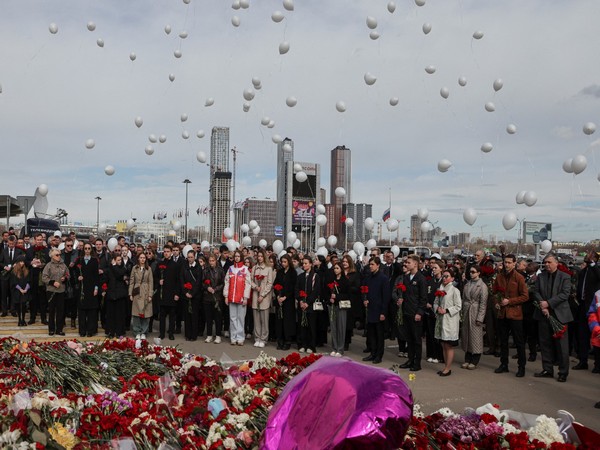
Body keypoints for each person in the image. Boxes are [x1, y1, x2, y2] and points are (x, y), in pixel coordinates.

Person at [533, 254, 573, 382]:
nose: (546, 264)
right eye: (545, 262)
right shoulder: (541, 276)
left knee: (562, 346)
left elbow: (565, 294)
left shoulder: (565, 277)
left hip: (559, 315)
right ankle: (547, 369)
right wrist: (542, 305)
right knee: (545, 343)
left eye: (549, 262)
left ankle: (563, 372)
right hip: (543, 314)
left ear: (556, 263)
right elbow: (536, 291)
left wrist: (548, 303)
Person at [493, 254, 528, 378]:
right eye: (505, 262)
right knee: (503, 341)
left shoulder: (519, 277)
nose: (507, 265)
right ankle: (504, 364)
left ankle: (521, 366)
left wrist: (510, 301)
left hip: (515, 314)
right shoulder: (499, 277)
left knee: (519, 341)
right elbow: (495, 292)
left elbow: (525, 296)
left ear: (514, 263)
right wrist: (497, 302)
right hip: (502, 314)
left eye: (509, 263)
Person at [399, 254, 427, 371]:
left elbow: (423, 298)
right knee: (409, 339)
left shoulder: (421, 279)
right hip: (407, 312)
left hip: (415, 313)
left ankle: (417, 362)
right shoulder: (406, 278)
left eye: (408, 262)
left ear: (415, 264)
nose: (406, 264)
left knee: (416, 340)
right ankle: (410, 359)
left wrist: (419, 312)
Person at [433, 267, 462, 376]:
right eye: (443, 276)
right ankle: (445, 366)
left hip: (450, 320)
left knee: (448, 345)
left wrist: (446, 310)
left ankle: (448, 368)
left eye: (447, 276)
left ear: (452, 278)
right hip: (441, 319)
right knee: (443, 344)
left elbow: (458, 306)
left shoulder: (455, 290)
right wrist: (437, 308)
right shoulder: (440, 289)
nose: (444, 278)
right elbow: (435, 302)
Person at [574, 250, 600, 372]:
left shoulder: (596, 270)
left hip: (594, 308)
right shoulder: (583, 272)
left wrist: (593, 263)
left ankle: (597, 364)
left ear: (594, 258)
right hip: (583, 306)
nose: (586, 256)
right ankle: (583, 361)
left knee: (596, 335)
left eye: (589, 254)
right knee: (582, 335)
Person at [361, 257, 390, 364]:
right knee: (371, 333)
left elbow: (386, 297)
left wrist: (383, 312)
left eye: (373, 264)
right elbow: (364, 290)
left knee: (379, 334)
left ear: (378, 265)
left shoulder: (383, 279)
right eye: (370, 264)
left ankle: (379, 355)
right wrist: (364, 299)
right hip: (370, 309)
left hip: (379, 310)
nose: (370, 266)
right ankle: (372, 353)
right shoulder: (368, 278)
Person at [461, 264, 488, 369]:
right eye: (470, 272)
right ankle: (467, 358)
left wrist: (480, 318)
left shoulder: (482, 286)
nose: (471, 274)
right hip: (467, 311)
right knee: (467, 335)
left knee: (475, 337)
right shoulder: (467, 284)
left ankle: (475, 359)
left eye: (473, 272)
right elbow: (463, 299)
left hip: (475, 312)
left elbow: (483, 303)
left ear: (478, 273)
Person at [224, 250, 251, 346]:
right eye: (235, 256)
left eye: (238, 256)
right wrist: (226, 296)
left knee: (241, 318)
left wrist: (245, 297)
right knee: (232, 318)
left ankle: (240, 338)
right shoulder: (230, 269)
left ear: (241, 258)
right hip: (232, 297)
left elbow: (248, 284)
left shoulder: (245, 269)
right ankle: (233, 337)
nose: (236, 258)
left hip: (241, 298)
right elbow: (227, 282)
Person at [295, 256, 321, 354]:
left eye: (306, 263)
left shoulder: (315, 276)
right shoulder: (300, 276)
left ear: (310, 264)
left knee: (311, 325)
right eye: (303, 263)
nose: (304, 265)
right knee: (302, 325)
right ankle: (302, 344)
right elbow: (296, 289)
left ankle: (311, 345)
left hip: (310, 305)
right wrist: (301, 301)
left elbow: (316, 291)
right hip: (301, 305)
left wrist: (308, 302)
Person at [41, 248, 69, 336]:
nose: (59, 256)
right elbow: (44, 277)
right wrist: (53, 282)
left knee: (60, 311)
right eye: (57, 255)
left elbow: (68, 274)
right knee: (52, 310)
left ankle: (59, 329)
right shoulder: (48, 265)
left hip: (61, 291)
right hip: (51, 291)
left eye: (59, 254)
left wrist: (65, 278)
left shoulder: (63, 265)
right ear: (52, 256)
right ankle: (51, 329)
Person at [156, 245, 181, 341]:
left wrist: (177, 293)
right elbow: (155, 277)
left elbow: (178, 281)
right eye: (164, 251)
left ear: (171, 252)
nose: (166, 253)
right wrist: (159, 281)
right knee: (162, 315)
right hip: (162, 294)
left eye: (168, 251)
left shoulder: (175, 265)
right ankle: (161, 333)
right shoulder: (160, 264)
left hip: (172, 294)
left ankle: (171, 332)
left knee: (172, 315)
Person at [251, 249, 274, 348]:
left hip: (264, 297)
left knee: (264, 319)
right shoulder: (254, 268)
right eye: (258, 256)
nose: (259, 258)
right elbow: (250, 281)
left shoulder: (269, 268)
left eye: (261, 256)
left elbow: (269, 284)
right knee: (256, 319)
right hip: (256, 295)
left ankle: (264, 338)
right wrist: (255, 287)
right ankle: (257, 337)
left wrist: (262, 295)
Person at [273, 254, 297, 350]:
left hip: (288, 301)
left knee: (287, 321)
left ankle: (288, 340)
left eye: (285, 262)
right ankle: (280, 340)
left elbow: (293, 287)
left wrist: (286, 297)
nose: (283, 264)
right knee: (279, 320)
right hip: (280, 299)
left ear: (288, 262)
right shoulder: (280, 272)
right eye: (282, 262)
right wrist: (278, 296)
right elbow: (276, 284)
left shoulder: (293, 273)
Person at [76, 243, 100, 337]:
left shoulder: (94, 261)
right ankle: (82, 330)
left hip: (91, 288)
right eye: (85, 248)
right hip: (82, 288)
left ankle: (90, 330)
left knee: (91, 311)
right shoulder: (80, 260)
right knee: (82, 311)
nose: (87, 250)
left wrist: (96, 288)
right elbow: (74, 272)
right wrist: (78, 277)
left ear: (91, 250)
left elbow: (96, 276)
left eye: (88, 248)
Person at [26, 233, 50, 325]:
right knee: (33, 299)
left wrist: (42, 264)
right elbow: (26, 262)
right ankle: (32, 318)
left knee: (43, 299)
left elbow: (49, 262)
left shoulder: (47, 250)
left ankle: (44, 318)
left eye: (41, 239)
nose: (39, 241)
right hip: (33, 277)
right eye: (38, 239)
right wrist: (31, 262)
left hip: (43, 277)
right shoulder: (29, 250)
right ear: (35, 240)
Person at [129, 252, 154, 340]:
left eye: (144, 258)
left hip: (146, 292)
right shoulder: (134, 268)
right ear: (138, 259)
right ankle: (137, 331)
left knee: (146, 313)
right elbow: (131, 282)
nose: (142, 259)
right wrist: (130, 294)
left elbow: (151, 282)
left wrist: (150, 294)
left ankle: (144, 331)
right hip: (137, 292)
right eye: (141, 257)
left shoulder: (149, 269)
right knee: (136, 314)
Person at [328, 262, 351, 357]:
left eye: (337, 268)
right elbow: (326, 291)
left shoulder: (345, 280)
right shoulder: (332, 279)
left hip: (341, 306)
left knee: (341, 327)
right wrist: (330, 298)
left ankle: (340, 349)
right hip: (332, 305)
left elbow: (348, 295)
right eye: (334, 268)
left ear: (341, 269)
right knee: (333, 327)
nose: (335, 270)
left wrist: (337, 297)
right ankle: (334, 347)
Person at [180, 249, 203, 341]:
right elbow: (181, 280)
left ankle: (194, 334)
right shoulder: (184, 267)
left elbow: (198, 282)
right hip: (185, 294)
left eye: (191, 257)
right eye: (188, 257)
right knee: (187, 315)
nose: (190, 259)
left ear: (195, 257)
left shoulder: (198, 268)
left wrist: (192, 293)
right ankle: (187, 334)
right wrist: (185, 292)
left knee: (194, 315)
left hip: (195, 296)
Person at [203, 254, 225, 344]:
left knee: (218, 317)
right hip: (207, 297)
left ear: (216, 261)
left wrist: (215, 289)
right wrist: (207, 287)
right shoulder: (206, 271)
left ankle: (218, 335)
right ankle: (209, 335)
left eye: (213, 260)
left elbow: (223, 283)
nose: (211, 262)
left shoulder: (220, 271)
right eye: (210, 261)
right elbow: (202, 282)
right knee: (208, 317)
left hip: (217, 297)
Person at [105, 254, 129, 338]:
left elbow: (119, 274)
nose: (119, 262)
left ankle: (119, 332)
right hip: (111, 294)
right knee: (111, 314)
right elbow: (105, 280)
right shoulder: (109, 269)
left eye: (120, 260)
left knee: (120, 314)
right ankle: (111, 331)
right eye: (117, 260)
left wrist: (114, 266)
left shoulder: (123, 269)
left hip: (120, 295)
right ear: (114, 260)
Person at [342, 255, 361, 351]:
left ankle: (346, 342)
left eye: (346, 261)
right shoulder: (339, 272)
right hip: (340, 300)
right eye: (343, 261)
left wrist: (347, 285)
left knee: (348, 323)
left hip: (350, 301)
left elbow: (357, 287)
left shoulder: (354, 274)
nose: (344, 263)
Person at [10, 255, 30, 326]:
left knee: (24, 305)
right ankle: (19, 320)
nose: (22, 263)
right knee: (18, 305)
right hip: (17, 291)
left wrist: (25, 289)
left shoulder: (26, 271)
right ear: (18, 262)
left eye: (23, 262)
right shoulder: (14, 272)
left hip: (25, 291)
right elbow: (13, 282)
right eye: (21, 262)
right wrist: (20, 289)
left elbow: (28, 281)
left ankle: (23, 320)